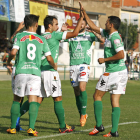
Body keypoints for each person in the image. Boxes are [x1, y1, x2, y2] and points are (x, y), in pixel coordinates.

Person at [14, 14, 84, 133]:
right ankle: (62, 126)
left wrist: (60, 30)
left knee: (37, 99)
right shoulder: (55, 35)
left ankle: (15, 120)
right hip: (50, 72)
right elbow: (75, 33)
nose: (58, 26)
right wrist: (81, 19)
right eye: (56, 24)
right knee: (57, 98)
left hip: (39, 72)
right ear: (49, 26)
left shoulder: (40, 37)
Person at [79, 2, 128, 137]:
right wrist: (84, 13)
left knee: (97, 96)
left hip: (113, 72)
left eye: (106, 22)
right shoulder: (108, 33)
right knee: (114, 101)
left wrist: (104, 60)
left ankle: (99, 125)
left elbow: (121, 55)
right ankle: (114, 131)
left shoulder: (115, 37)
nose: (105, 24)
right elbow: (93, 26)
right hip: (121, 72)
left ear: (111, 24)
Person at [6, 14, 56, 136]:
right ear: (36, 25)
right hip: (35, 73)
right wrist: (54, 66)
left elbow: (13, 52)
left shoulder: (19, 36)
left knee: (17, 99)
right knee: (33, 99)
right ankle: (31, 128)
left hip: (21, 72)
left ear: (25, 24)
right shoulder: (41, 39)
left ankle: (13, 128)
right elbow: (49, 58)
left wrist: (8, 61)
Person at [62, 18, 100, 127]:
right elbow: (59, 39)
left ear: (86, 24)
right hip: (73, 66)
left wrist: (93, 31)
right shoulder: (71, 35)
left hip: (84, 65)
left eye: (83, 23)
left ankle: (83, 114)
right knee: (76, 92)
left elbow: (102, 40)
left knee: (82, 88)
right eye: (80, 23)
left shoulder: (89, 35)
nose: (81, 24)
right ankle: (82, 114)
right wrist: (62, 30)